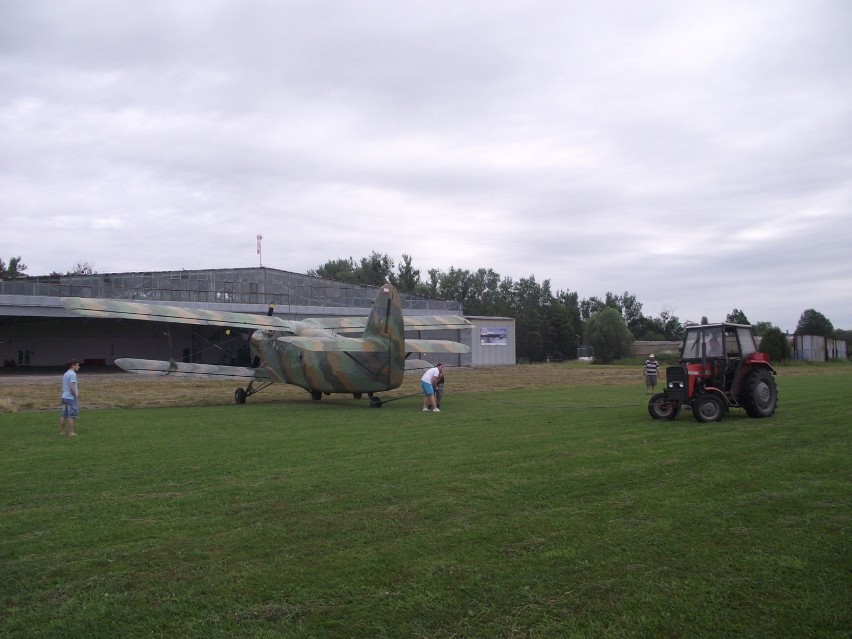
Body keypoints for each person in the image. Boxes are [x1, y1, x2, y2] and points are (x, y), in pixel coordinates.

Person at [59, 359, 81, 436]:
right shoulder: (73, 374)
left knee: (63, 415)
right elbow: (71, 387)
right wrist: (75, 395)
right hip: (70, 397)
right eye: (77, 365)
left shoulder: (66, 373)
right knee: (71, 415)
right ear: (73, 365)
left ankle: (62, 432)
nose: (79, 367)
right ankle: (71, 432)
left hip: (64, 396)